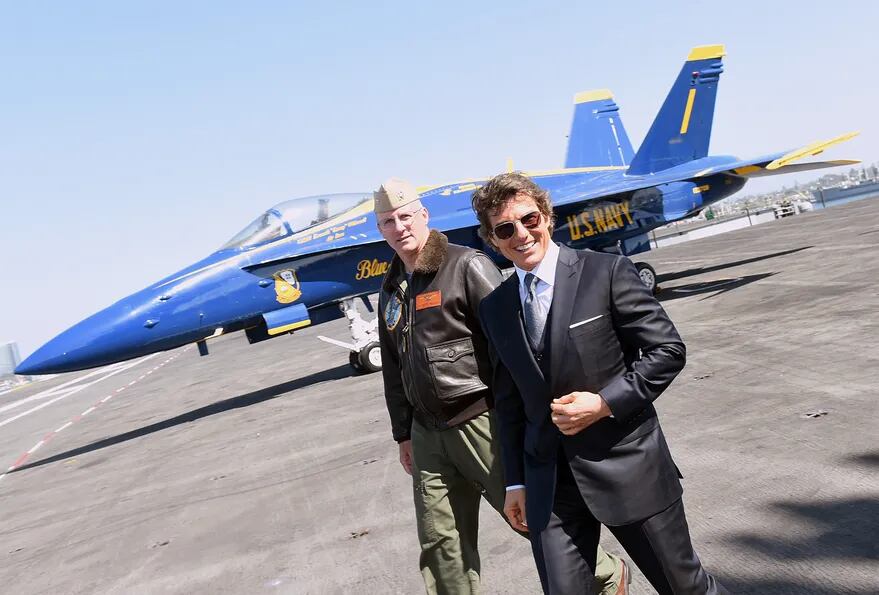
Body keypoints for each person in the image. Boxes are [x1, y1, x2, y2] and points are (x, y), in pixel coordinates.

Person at [471, 172, 728, 595]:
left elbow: (667, 351)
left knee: (686, 589)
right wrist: (515, 482)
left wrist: (605, 402)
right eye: (505, 229)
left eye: (529, 219)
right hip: (550, 483)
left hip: (627, 466)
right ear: (492, 240)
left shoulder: (606, 272)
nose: (521, 234)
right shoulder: (495, 309)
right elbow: (509, 401)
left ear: (547, 217)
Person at [374, 177, 627, 595]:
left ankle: (604, 573)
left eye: (405, 217)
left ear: (423, 216)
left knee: (529, 518)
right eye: (388, 222)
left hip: (481, 421)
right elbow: (395, 368)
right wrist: (403, 432)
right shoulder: (390, 289)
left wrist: (528, 420)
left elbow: (514, 344)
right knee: (441, 545)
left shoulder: (465, 265)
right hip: (427, 434)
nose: (399, 227)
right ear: (380, 230)